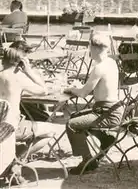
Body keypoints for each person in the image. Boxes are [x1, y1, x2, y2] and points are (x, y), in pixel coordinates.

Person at [64, 32, 122, 175]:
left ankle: (88, 161)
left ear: (94, 49)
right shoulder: (111, 62)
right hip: (114, 109)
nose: (89, 51)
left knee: (71, 124)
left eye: (90, 47)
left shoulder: (99, 67)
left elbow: (83, 94)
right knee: (76, 116)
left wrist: (71, 89)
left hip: (107, 114)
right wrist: (82, 87)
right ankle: (106, 139)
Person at [0, 41, 56, 162]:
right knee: (51, 130)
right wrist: (28, 71)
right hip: (11, 127)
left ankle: (13, 157)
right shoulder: (18, 78)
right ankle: (17, 161)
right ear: (20, 62)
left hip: (1, 127)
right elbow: (44, 91)